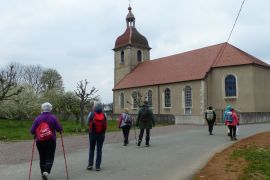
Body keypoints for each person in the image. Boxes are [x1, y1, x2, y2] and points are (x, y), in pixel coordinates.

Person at [30, 102, 62, 180]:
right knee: (50, 157)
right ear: (50, 109)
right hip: (51, 140)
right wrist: (60, 130)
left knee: (42, 157)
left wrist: (37, 132)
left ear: (42, 108)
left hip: (39, 141)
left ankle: (42, 173)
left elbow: (32, 131)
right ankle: (46, 172)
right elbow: (59, 128)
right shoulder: (53, 117)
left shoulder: (37, 118)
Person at [86, 103, 108, 171]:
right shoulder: (104, 114)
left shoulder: (91, 113)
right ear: (101, 108)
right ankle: (98, 166)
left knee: (92, 149)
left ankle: (90, 165)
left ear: (94, 107)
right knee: (99, 150)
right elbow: (106, 124)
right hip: (101, 134)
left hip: (92, 133)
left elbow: (87, 122)